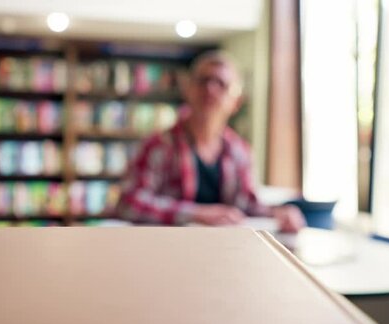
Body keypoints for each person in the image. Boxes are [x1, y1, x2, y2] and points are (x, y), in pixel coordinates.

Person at [116, 50, 305, 232]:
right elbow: (129, 203)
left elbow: (247, 205)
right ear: (187, 90)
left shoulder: (240, 151)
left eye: (221, 83)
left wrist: (279, 214)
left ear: (236, 102)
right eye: (203, 80)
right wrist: (195, 213)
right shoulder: (158, 145)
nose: (210, 89)